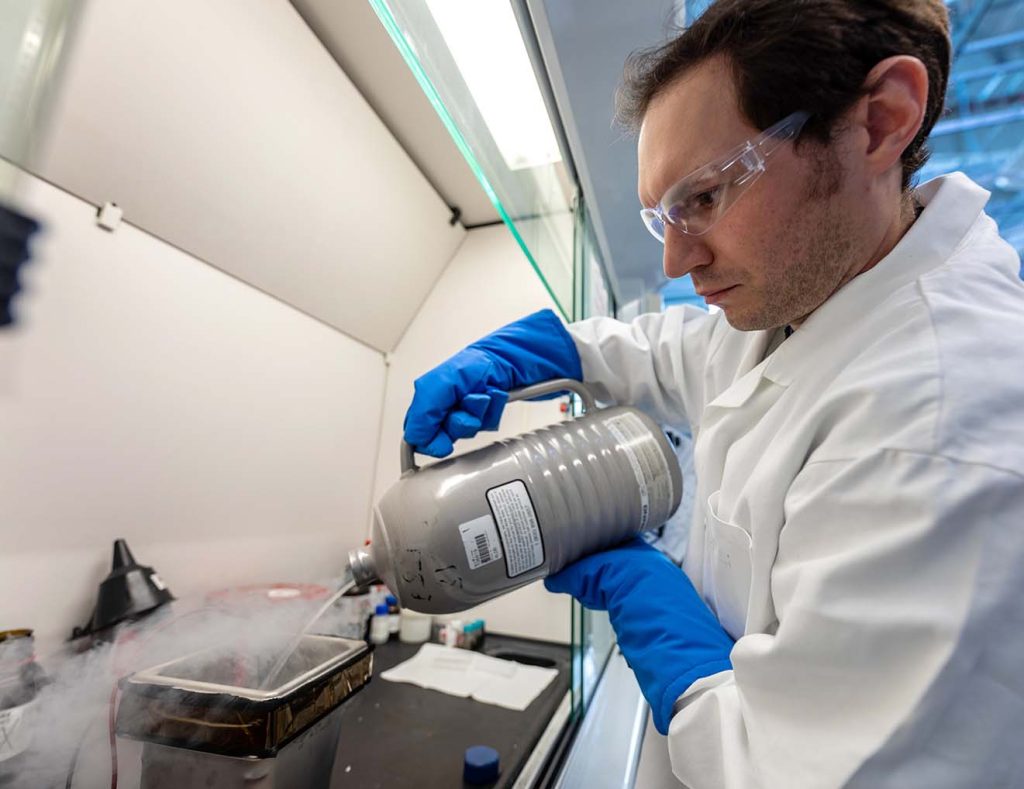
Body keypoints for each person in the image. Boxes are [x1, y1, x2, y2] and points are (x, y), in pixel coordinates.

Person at [402, 1, 1024, 786]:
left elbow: (795, 769)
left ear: (879, 122)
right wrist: (551, 352)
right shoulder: (815, 297)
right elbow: (683, 352)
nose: (674, 262)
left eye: (704, 197)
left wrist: (660, 618)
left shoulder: (942, 425)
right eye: (661, 215)